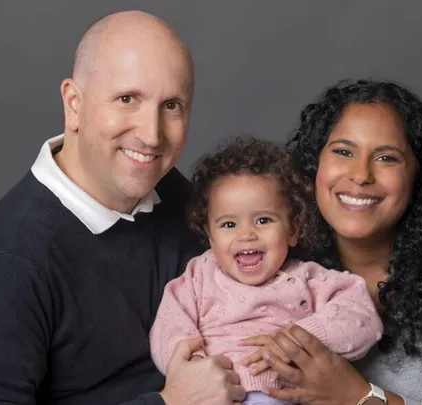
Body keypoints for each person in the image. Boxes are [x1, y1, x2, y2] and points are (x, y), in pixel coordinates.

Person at [0, 10, 246, 405]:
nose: (151, 136)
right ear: (74, 104)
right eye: (127, 99)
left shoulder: (166, 189)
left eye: (171, 106)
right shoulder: (9, 261)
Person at [239, 79, 422, 405]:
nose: (361, 175)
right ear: (314, 164)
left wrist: (357, 396)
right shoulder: (279, 247)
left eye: (387, 158)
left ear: (418, 177)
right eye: (343, 151)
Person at [149, 137, 383, 405]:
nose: (246, 235)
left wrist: (303, 337)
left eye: (263, 220)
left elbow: (362, 318)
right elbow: (169, 326)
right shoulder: (198, 277)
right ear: (209, 236)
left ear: (293, 230)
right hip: (215, 394)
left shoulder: (308, 278)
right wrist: (194, 365)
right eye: (228, 225)